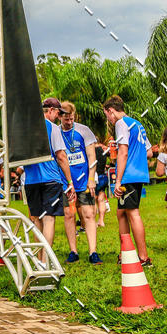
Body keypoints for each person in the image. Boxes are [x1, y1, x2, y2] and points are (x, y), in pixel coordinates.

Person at [103, 95, 154, 266]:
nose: (108, 120)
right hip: (138, 174)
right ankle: (125, 253)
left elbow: (123, 152)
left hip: (128, 176)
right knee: (121, 213)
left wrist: (117, 181)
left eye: (107, 115)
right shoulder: (137, 124)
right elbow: (149, 152)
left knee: (132, 213)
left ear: (111, 111)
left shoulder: (121, 123)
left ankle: (143, 258)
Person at [23, 98, 75, 256]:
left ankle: (39, 259)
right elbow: (61, 156)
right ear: (51, 110)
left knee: (36, 219)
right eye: (58, 113)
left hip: (31, 180)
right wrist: (70, 182)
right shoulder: (52, 128)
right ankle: (46, 261)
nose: (59, 116)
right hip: (50, 179)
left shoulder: (26, 128)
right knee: (49, 218)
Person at [58, 102, 101, 264]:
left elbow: (92, 157)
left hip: (84, 181)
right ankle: (73, 251)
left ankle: (93, 252)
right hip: (66, 183)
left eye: (71, 118)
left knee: (89, 214)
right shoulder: (56, 132)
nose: (69, 121)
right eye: (66, 119)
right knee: (69, 215)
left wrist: (91, 179)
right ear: (60, 117)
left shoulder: (84, 131)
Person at [94, 140, 110, 227]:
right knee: (101, 200)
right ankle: (101, 221)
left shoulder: (92, 151)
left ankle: (93, 221)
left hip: (96, 178)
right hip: (103, 177)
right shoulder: (103, 151)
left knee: (93, 200)